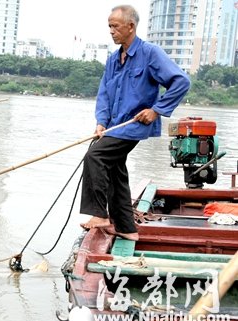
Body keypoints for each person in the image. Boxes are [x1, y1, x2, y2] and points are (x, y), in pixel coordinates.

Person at [79, 5, 190, 241]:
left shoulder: (150, 53)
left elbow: (181, 81)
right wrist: (101, 122)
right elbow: (104, 94)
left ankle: (99, 214)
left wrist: (157, 110)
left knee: (95, 157)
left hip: (134, 124)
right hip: (114, 126)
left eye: (115, 26)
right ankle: (126, 227)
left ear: (131, 26)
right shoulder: (112, 59)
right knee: (114, 167)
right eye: (109, 26)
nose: (111, 31)